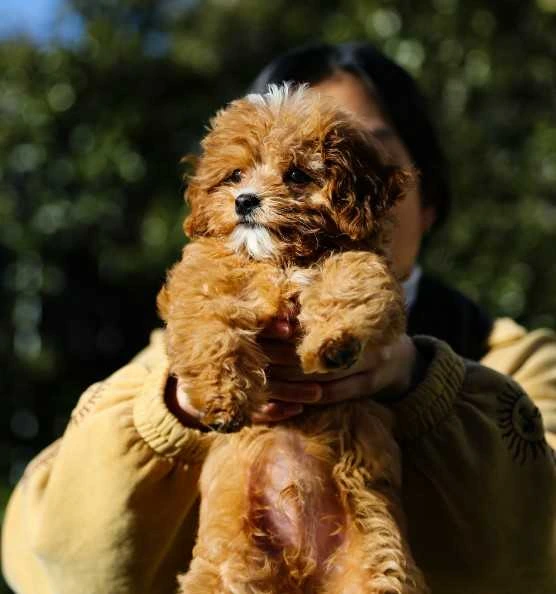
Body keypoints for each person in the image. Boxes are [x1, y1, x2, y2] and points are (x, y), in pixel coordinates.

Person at [2, 41, 556, 594]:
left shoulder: (517, 360)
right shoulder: (156, 362)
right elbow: (44, 558)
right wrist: (177, 409)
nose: (255, 191)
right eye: (240, 169)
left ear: (423, 194)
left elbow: (539, 548)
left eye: (306, 173)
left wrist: (418, 383)